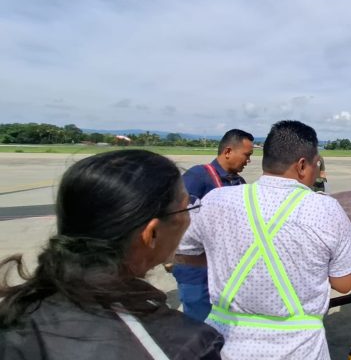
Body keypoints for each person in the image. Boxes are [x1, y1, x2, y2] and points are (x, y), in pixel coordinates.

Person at [0, 150, 223, 359]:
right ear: (151, 234)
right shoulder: (187, 345)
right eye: (186, 208)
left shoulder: (19, 311)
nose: (189, 219)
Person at [177, 120, 351, 359]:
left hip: (226, 346)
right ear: (302, 165)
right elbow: (344, 283)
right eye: (316, 164)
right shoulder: (325, 209)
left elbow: (181, 251)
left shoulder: (217, 200)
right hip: (299, 349)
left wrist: (221, 258)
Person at [172, 128, 255, 322]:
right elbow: (176, 216)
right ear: (228, 152)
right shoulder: (198, 176)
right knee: (199, 322)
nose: (248, 161)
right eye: (247, 155)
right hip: (196, 270)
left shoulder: (239, 183)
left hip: (225, 268)